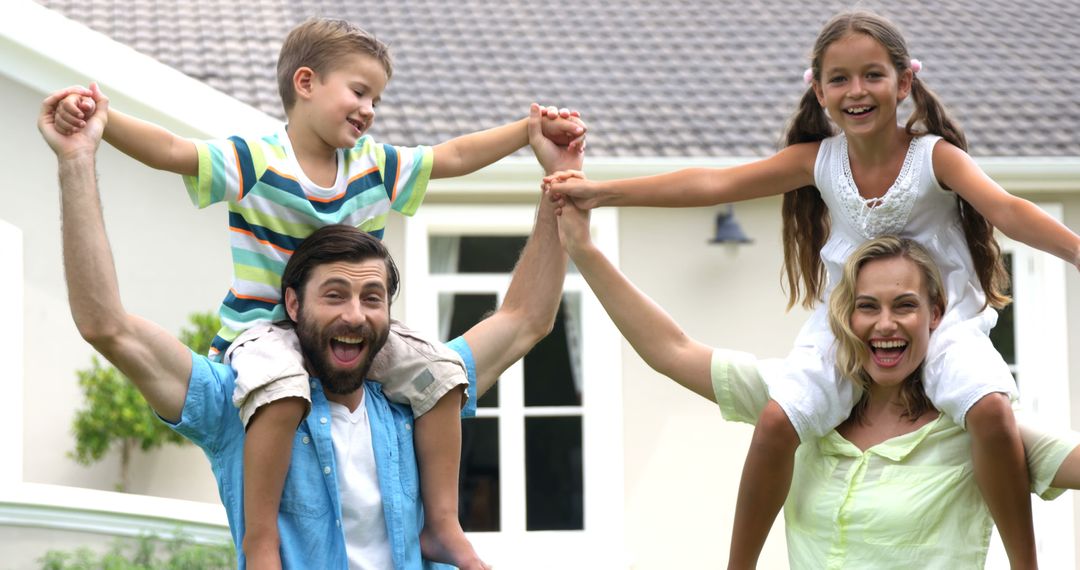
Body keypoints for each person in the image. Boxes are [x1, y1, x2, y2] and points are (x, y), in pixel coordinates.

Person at [543, 9, 1080, 568]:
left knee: (990, 410)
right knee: (777, 420)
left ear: (905, 82)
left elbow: (1006, 209)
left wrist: (1075, 251)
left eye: (873, 75)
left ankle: (1026, 563)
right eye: (840, 78)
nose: (857, 90)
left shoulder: (933, 157)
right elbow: (715, 182)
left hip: (941, 320)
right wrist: (602, 193)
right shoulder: (819, 162)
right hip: (848, 320)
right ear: (819, 92)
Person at [51, 17, 585, 570]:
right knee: (280, 388)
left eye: (372, 296)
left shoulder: (403, 393)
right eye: (335, 295)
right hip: (258, 336)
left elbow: (523, 310)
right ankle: (261, 548)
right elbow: (166, 159)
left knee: (444, 370)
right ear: (305, 83)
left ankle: (445, 527)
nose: (370, 109)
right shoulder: (236, 397)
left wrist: (542, 157)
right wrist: (93, 135)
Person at [552, 195, 1080, 568]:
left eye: (905, 306)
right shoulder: (803, 401)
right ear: (845, 317)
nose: (885, 324)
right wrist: (584, 250)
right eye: (867, 307)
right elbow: (671, 351)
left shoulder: (970, 426)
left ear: (936, 315)